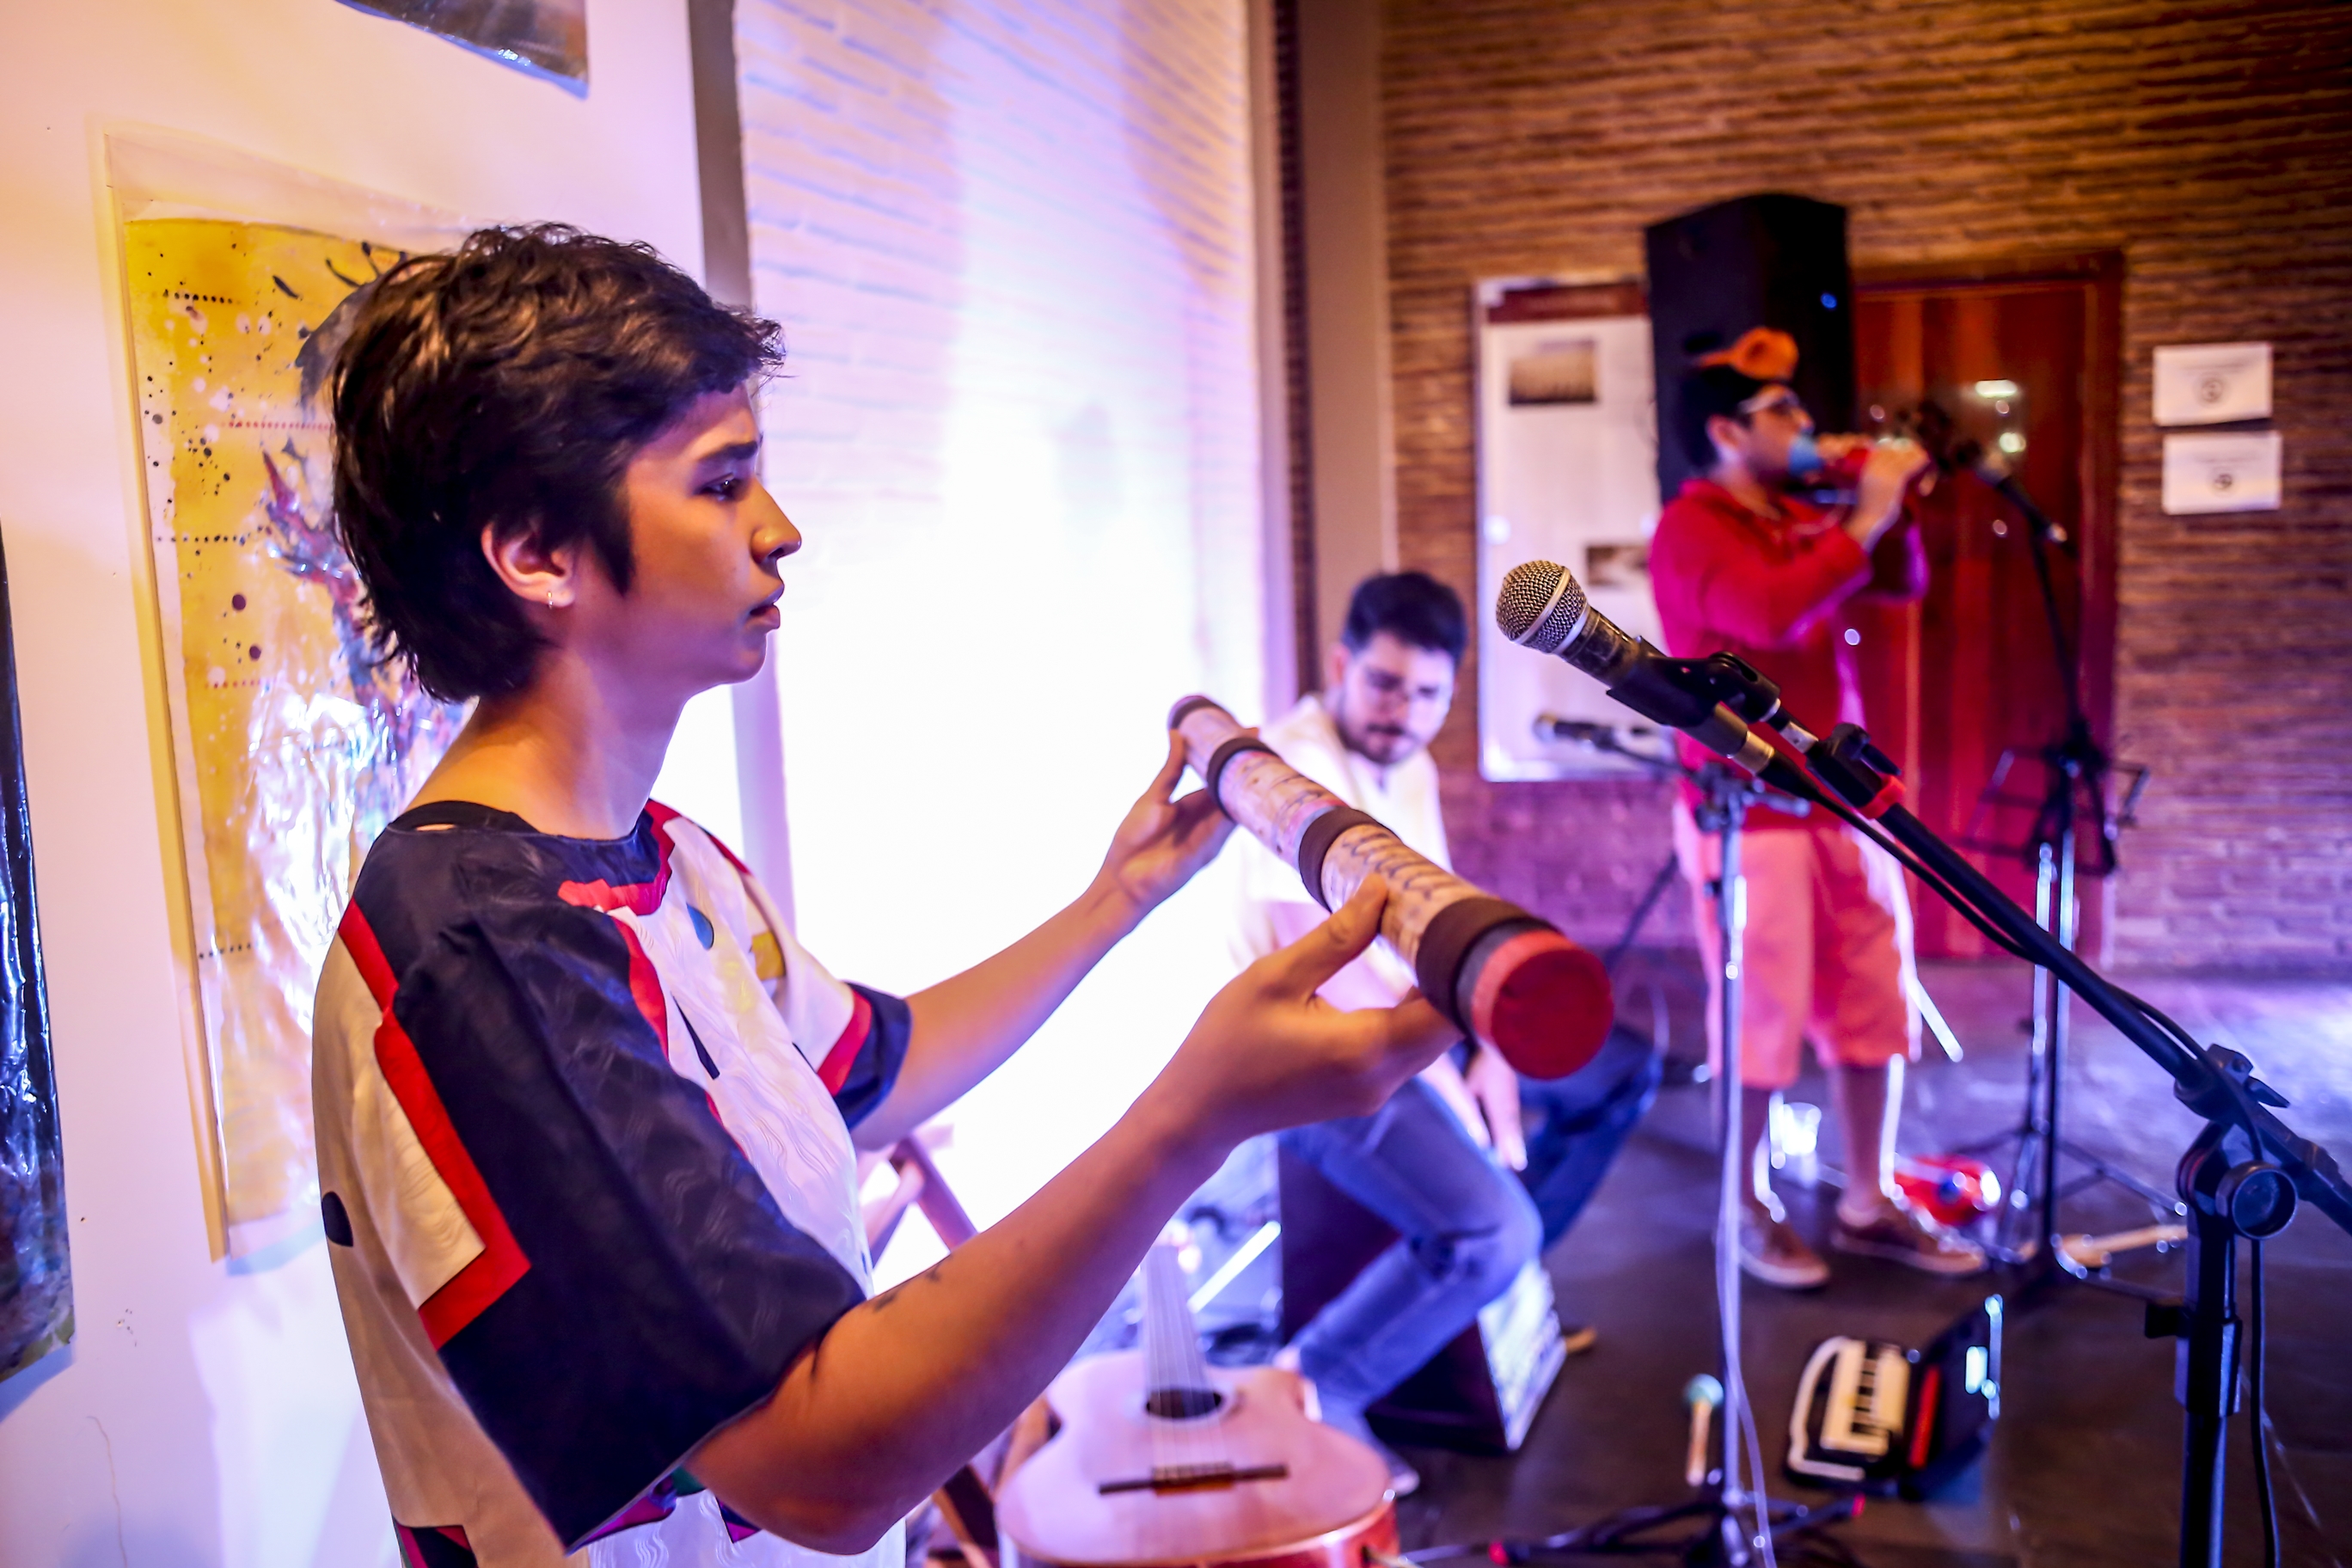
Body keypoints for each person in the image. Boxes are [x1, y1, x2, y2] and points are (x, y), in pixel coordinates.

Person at [309, 225, 1466, 1568]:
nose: (779, 530)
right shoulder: (484, 949)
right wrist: (1191, 1118)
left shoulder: (669, 861)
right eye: (722, 483)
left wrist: (1118, 897)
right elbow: (821, 1468)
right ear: (537, 554)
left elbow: (871, 1070)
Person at [1231, 573, 1663, 1491]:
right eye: (1384, 685)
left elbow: (1436, 934)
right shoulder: (1291, 766)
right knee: (1490, 1233)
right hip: (1305, 1058)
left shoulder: (1411, 766)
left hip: (1402, 1029)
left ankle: (1505, 1273)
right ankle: (1316, 1384)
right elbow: (1321, 970)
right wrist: (1449, 1083)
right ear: (1340, 665)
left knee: (1614, 1073)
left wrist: (1490, 1049)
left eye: (1427, 694)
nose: (1403, 712)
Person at [1646, 328, 1986, 1289]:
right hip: (1749, 812)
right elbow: (1769, 613)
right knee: (1758, 1021)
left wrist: (1886, 502)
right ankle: (1743, 1204)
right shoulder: (1692, 527)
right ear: (1724, 431)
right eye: (1780, 409)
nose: (1803, 421)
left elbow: (1902, 582)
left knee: (1875, 999)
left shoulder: (1803, 512)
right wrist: (1864, 512)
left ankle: (1868, 1201)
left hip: (1839, 801)